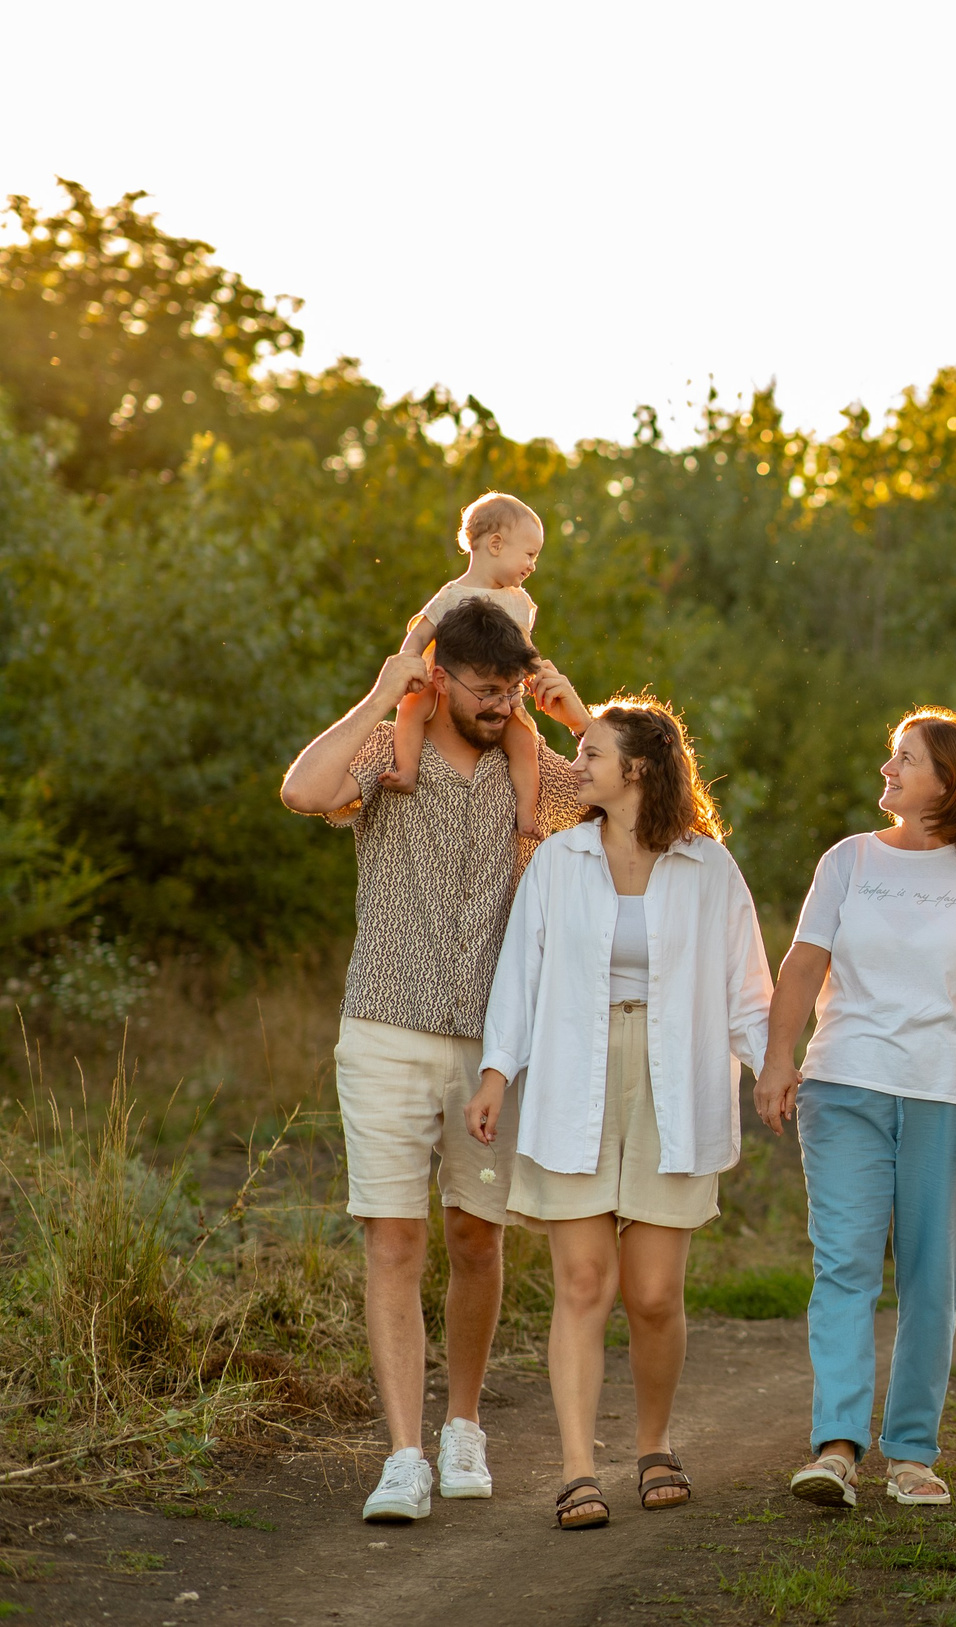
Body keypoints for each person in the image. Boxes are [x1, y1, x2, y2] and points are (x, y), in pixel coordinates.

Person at [277, 597, 593, 1524]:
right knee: (394, 1237)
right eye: (485, 690)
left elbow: (653, 802)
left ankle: (464, 1425)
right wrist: (382, 691)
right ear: (440, 676)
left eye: (511, 692)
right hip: (382, 1025)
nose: (500, 706)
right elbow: (301, 791)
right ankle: (404, 1453)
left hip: (495, 1046)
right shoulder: (389, 751)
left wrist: (577, 718)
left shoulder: (535, 769)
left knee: (475, 1237)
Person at [465, 698, 773, 1530]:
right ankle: (575, 1467)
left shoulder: (708, 866)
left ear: (637, 768)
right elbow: (519, 977)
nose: (578, 764)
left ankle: (653, 1442)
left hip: (679, 1075)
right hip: (574, 1071)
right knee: (585, 1282)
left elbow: (748, 983)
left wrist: (779, 1070)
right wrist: (497, 1072)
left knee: (654, 1293)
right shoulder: (559, 862)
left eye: (591, 751)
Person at [753, 709, 956, 1510]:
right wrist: (780, 1060)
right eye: (891, 756)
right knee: (842, 1265)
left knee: (930, 1280)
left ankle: (912, 1452)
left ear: (949, 780)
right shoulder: (848, 860)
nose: (888, 769)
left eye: (903, 759)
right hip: (845, 1082)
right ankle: (836, 1446)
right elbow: (803, 966)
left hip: (951, 1096)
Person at [380, 492, 551, 841]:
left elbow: (525, 650)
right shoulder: (452, 594)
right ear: (496, 544)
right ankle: (408, 769)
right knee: (411, 708)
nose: (533, 565)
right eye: (530, 554)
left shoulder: (519, 603)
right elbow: (421, 632)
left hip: (503, 690)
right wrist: (409, 665)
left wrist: (538, 675)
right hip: (444, 682)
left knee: (523, 741)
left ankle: (526, 810)